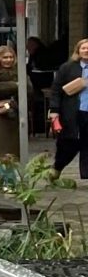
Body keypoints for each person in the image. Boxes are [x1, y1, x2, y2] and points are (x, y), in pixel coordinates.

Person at [55, 37, 88, 178]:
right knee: (70, 143)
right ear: (78, 51)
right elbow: (56, 90)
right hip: (73, 112)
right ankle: (56, 168)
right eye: (84, 48)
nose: (86, 51)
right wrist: (54, 110)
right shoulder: (67, 68)